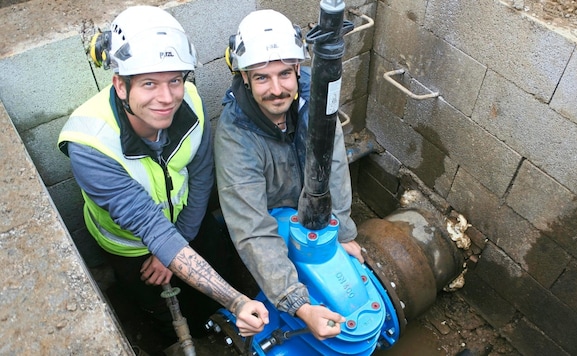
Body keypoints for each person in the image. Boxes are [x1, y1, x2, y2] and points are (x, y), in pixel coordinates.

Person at [57, 5, 268, 341]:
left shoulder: (193, 104)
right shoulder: (90, 144)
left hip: (188, 220)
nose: (166, 97)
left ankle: (215, 325)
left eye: (175, 80)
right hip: (131, 247)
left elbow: (200, 176)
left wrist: (181, 237)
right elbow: (148, 226)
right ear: (121, 86)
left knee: (219, 269)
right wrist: (237, 300)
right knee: (159, 310)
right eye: (149, 83)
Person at [214, 9, 364, 341]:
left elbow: (335, 166)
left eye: (284, 74)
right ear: (244, 78)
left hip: (313, 212)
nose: (276, 89)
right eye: (261, 78)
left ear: (298, 69)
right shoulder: (234, 134)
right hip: (269, 221)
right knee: (270, 268)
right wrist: (298, 304)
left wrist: (342, 233)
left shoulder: (317, 100)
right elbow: (252, 229)